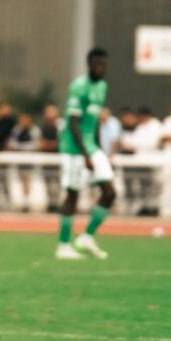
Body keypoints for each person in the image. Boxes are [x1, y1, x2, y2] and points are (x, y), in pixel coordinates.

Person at [56, 47, 116, 260]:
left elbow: (95, 120)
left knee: (110, 192)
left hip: (91, 147)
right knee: (72, 194)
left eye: (103, 65)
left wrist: (99, 150)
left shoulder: (102, 86)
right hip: (73, 149)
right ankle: (63, 245)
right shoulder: (79, 87)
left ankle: (87, 237)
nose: (101, 68)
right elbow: (73, 123)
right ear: (89, 65)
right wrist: (85, 155)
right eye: (97, 64)